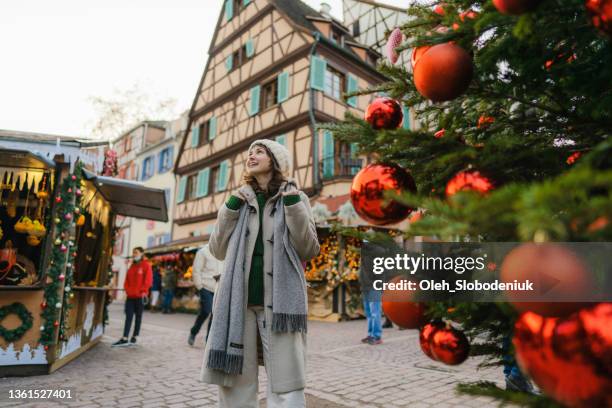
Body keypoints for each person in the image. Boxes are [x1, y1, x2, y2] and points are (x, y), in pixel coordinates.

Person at [200, 139, 320, 408]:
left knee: (286, 380)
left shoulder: (296, 198)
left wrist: (292, 205)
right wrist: (230, 207)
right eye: (250, 152)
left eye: (259, 151)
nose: (251, 155)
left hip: (280, 306)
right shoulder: (238, 201)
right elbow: (217, 250)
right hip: (237, 304)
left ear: (275, 160)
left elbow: (309, 248)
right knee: (236, 381)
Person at [112, 247, 152, 347]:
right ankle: (125, 337)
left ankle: (135, 336)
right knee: (128, 316)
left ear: (142, 253)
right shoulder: (132, 266)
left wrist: (143, 291)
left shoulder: (146, 265)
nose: (134, 254)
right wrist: (128, 291)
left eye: (136, 252)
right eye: (133, 252)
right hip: (130, 296)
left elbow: (148, 280)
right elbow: (127, 281)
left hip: (140, 296)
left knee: (138, 317)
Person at [189, 243, 223, 346]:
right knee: (206, 311)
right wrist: (199, 286)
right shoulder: (203, 252)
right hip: (205, 287)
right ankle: (193, 332)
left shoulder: (223, 251)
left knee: (215, 315)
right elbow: (196, 270)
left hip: (219, 288)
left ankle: (209, 341)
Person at [359, 239, 385, 345]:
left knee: (375, 312)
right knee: (369, 313)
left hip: (374, 286)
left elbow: (379, 271)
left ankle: (377, 336)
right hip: (366, 286)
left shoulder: (378, 252)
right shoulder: (365, 252)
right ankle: (371, 335)